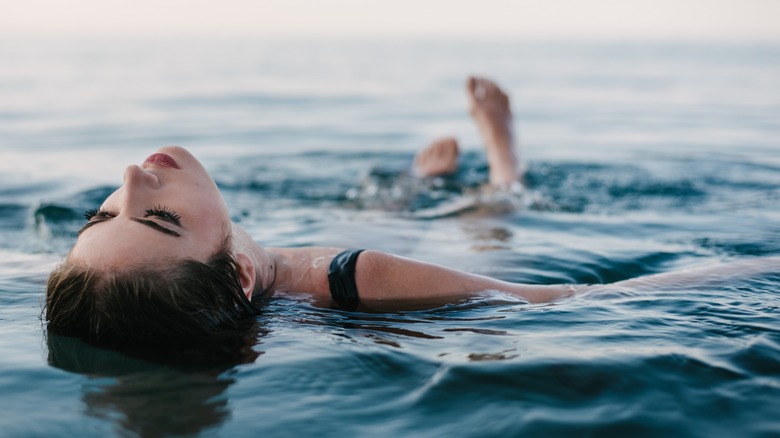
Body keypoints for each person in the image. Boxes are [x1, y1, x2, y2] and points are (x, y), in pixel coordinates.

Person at [45, 76, 777, 348]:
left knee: (387, 209)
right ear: (238, 275)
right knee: (491, 220)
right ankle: (504, 153)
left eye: (97, 217)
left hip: (338, 252)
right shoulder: (359, 278)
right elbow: (581, 300)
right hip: (396, 273)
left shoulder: (202, 277)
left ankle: (412, 184)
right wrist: (760, 265)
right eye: (159, 219)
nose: (129, 181)